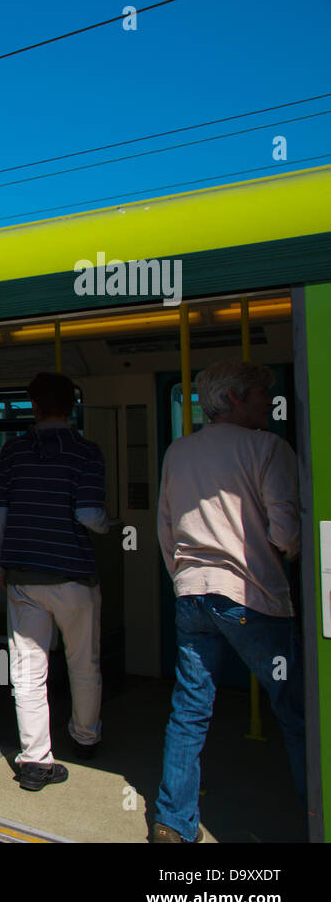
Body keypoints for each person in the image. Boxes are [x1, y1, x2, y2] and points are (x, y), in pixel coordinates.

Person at [152, 359, 303, 842]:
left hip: (192, 595)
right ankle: (315, 811)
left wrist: (184, 577)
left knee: (190, 709)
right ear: (236, 397)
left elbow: (165, 527)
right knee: (296, 707)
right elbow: (286, 532)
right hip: (249, 597)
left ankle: (171, 823)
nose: (268, 403)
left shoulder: (178, 451)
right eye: (260, 394)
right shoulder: (268, 448)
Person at [0, 373, 109, 791]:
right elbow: (90, 515)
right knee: (83, 662)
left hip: (23, 575)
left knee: (27, 672)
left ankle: (36, 761)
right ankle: (85, 737)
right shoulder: (86, 452)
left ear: (35, 406)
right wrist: (112, 525)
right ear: (72, 406)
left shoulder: (12, 452)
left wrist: (1, 569)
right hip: (74, 575)